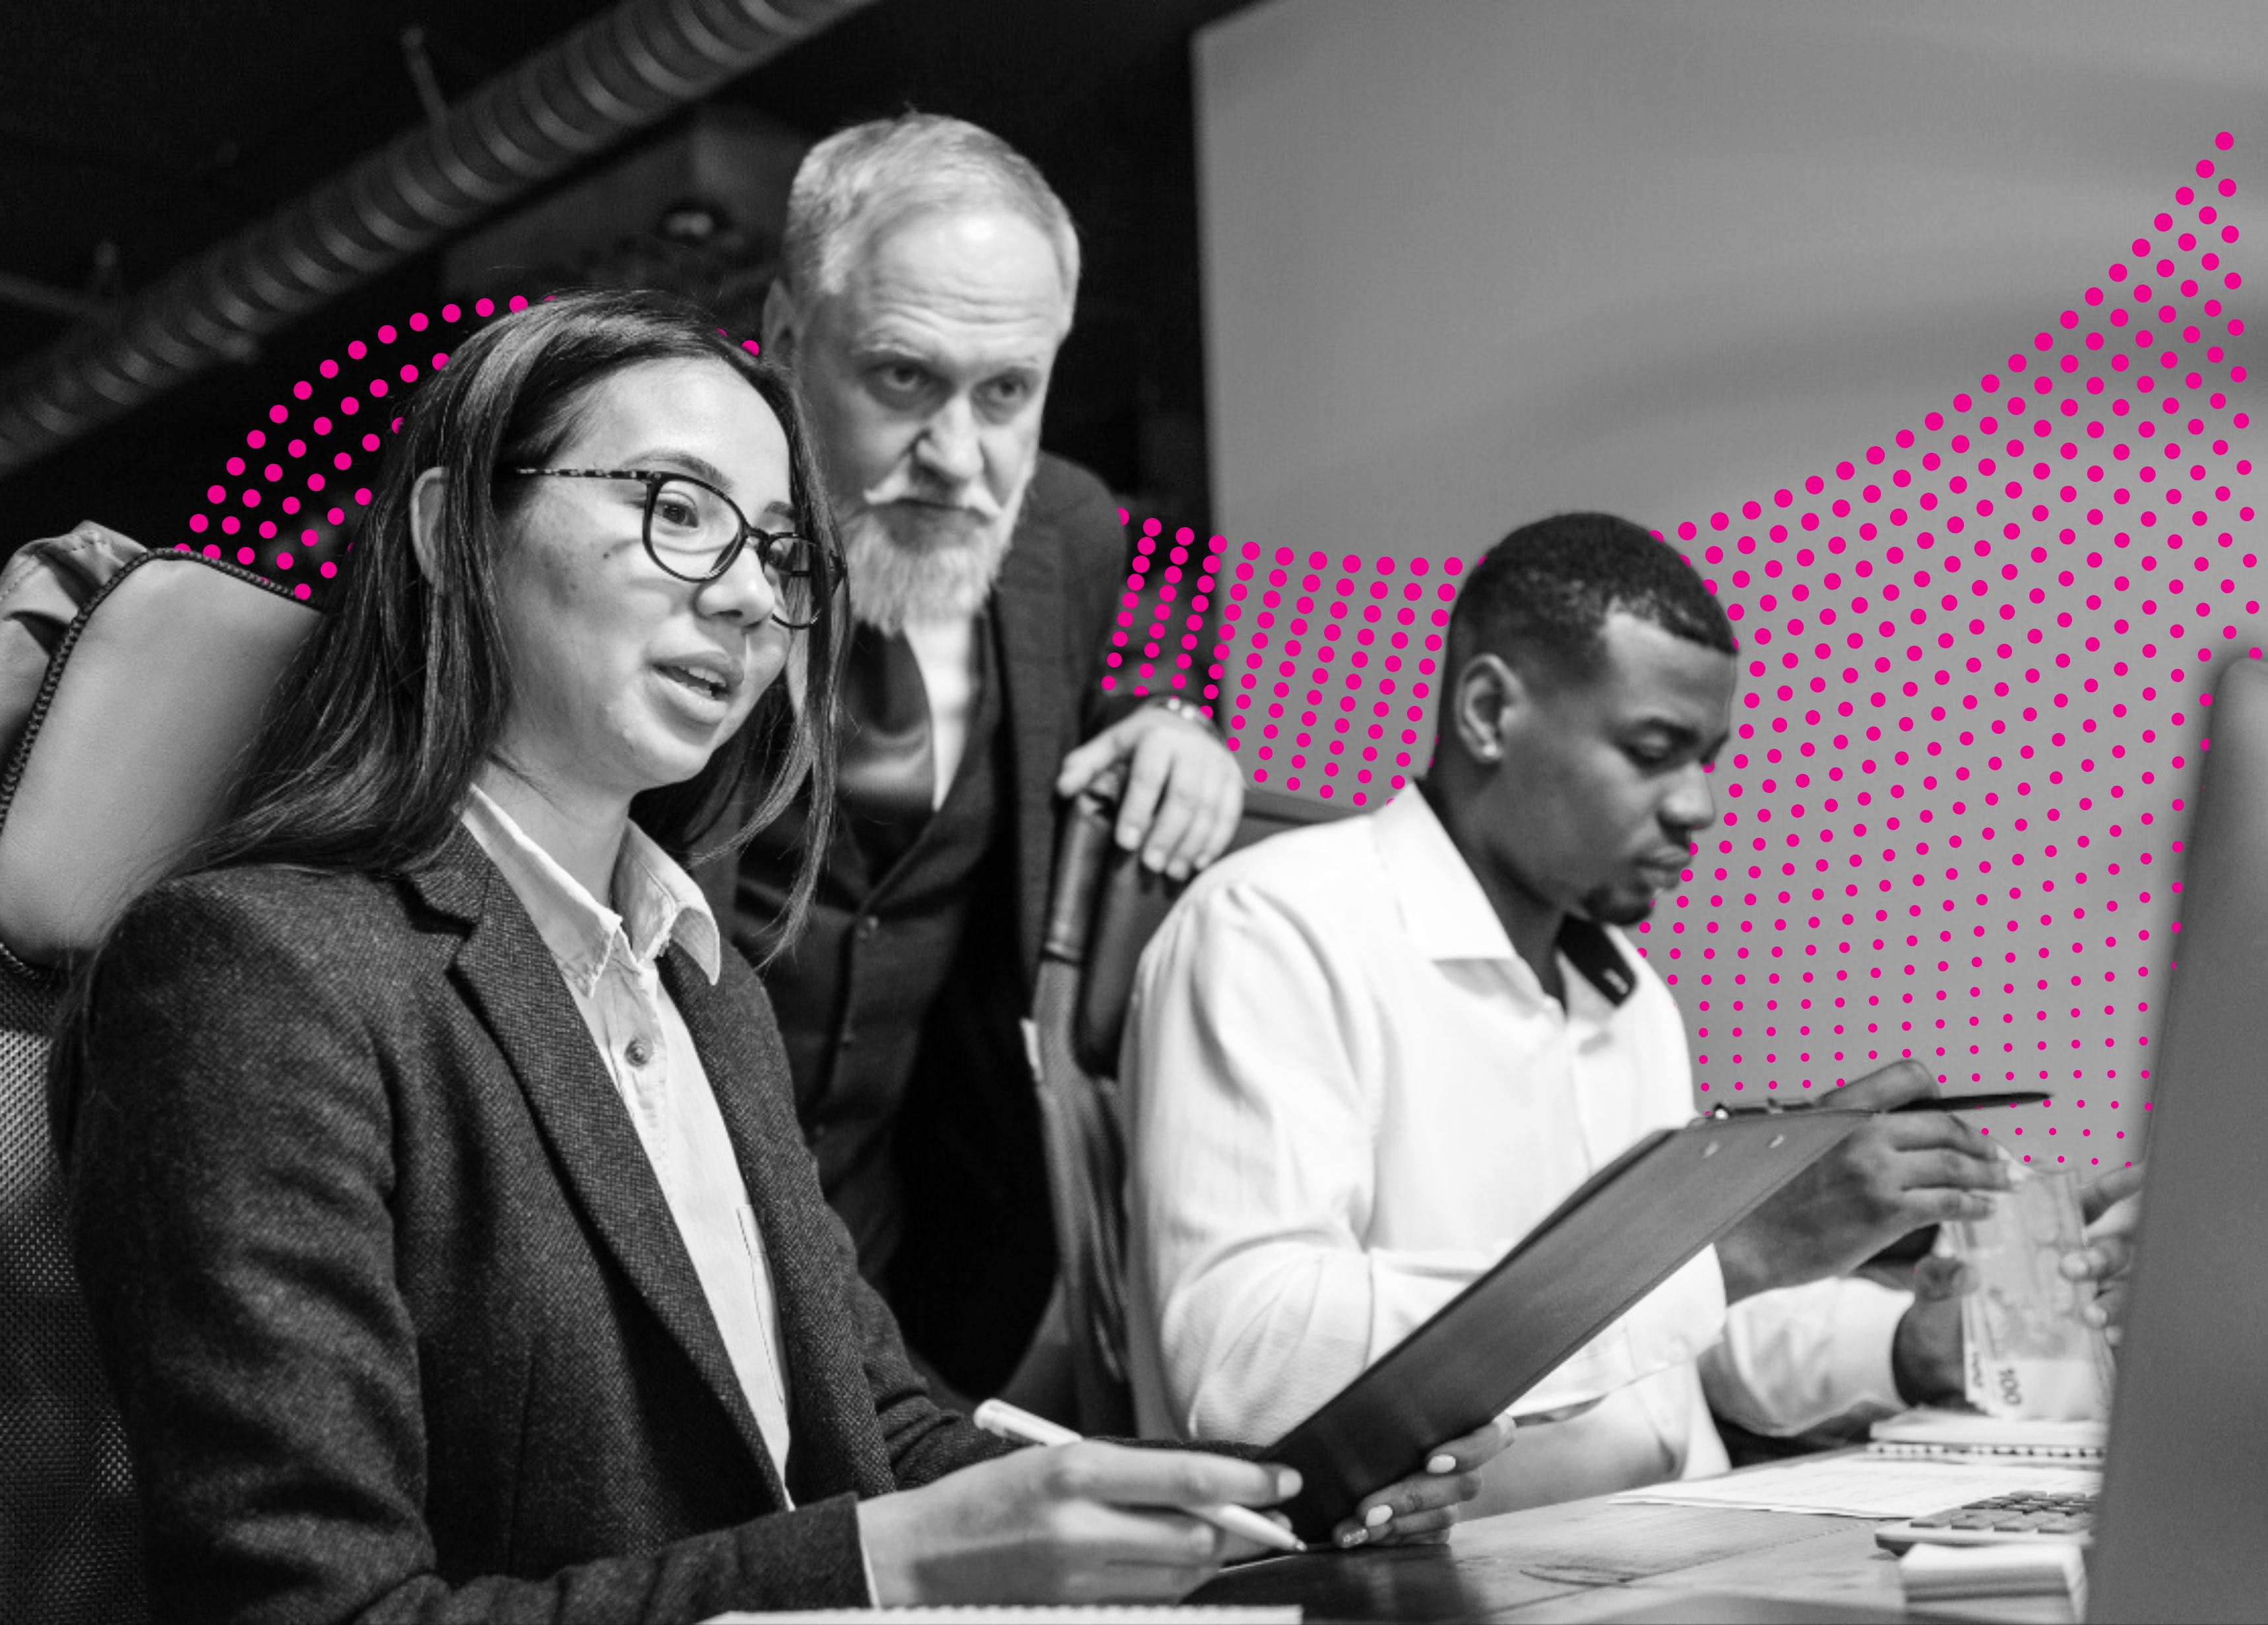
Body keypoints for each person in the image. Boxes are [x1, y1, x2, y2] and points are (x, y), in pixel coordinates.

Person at [55, 292, 1503, 1622]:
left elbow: (886, 1423)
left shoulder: (701, 976)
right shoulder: (254, 971)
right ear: (451, 533)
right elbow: (319, 1610)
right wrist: (892, 1559)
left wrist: (1246, 1495)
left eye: (780, 550)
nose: (753, 597)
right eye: (679, 511)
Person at [1124, 512, 2058, 1518]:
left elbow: (1682, 1354)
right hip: (1447, 1577)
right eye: (1654, 750)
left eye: (1707, 757)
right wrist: (1725, 1252)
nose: (1697, 804)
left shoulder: (1629, 996)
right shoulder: (1276, 927)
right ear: (1487, 711)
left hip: (1682, 1547)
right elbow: (1240, 1361)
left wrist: (1903, 1347)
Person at [728, 113, 1244, 1401]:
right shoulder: (664, 524)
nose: (959, 458)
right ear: (790, 340)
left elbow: (1090, 685)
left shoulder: (1063, 524)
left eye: (1005, 392)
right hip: (628, 1247)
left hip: (913, 1280)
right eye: (903, 378)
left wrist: (1174, 721)